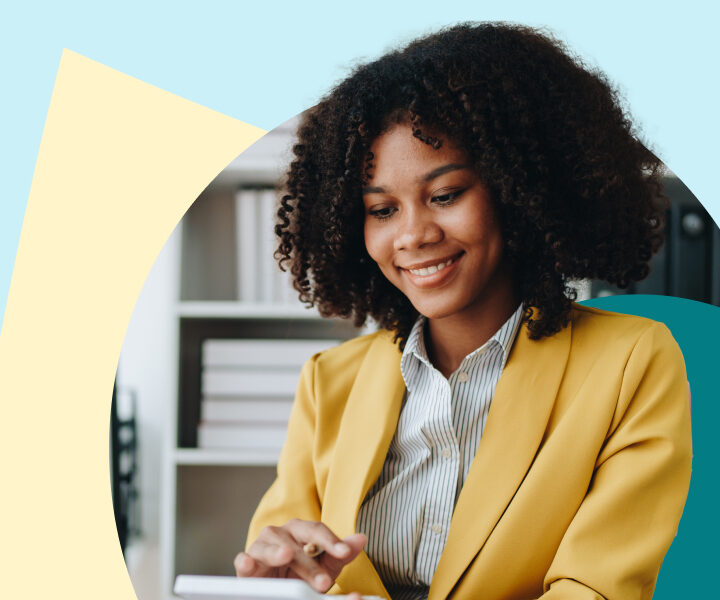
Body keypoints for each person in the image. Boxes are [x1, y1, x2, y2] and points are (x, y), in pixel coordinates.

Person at [233, 22, 692, 600]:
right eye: (381, 210)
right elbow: (283, 560)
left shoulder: (630, 363)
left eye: (445, 196)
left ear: (519, 189)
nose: (414, 235)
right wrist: (281, 573)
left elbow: (597, 588)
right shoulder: (330, 384)